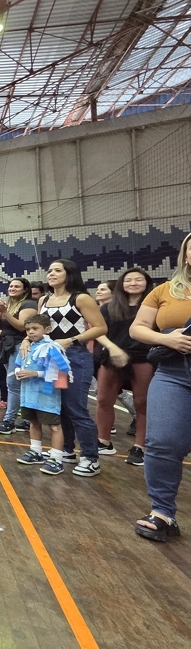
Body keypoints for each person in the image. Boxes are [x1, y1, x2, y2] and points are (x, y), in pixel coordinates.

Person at [130, 231, 191, 541]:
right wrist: (166, 338)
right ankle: (163, 512)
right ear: (185, 255)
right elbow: (138, 328)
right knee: (163, 441)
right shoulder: (166, 290)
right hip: (174, 373)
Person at [34, 259, 107, 477]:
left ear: (70, 273)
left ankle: (91, 457)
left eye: (57, 270)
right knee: (61, 407)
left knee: (76, 408)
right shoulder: (44, 300)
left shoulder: (81, 298)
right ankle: (66, 449)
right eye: (49, 271)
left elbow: (101, 327)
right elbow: (41, 328)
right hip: (51, 358)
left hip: (75, 357)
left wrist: (71, 340)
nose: (51, 274)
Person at [94, 268, 154, 464]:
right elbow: (99, 331)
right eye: (129, 280)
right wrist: (113, 349)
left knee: (142, 403)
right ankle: (103, 441)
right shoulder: (108, 308)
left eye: (139, 279)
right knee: (103, 399)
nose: (134, 283)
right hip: (112, 357)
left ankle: (140, 447)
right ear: (121, 283)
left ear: (147, 283)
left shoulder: (153, 307)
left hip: (143, 357)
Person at [13, 314, 71, 475]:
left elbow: (61, 372)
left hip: (47, 396)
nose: (31, 332)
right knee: (33, 422)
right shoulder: (27, 347)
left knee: (54, 426)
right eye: (28, 329)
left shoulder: (52, 348)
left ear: (47, 329)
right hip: (28, 395)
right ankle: (35, 451)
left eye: (35, 328)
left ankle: (56, 459)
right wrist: (18, 371)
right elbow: (18, 363)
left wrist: (35, 374)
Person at [0, 278, 37, 434]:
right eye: (10, 286)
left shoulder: (29, 304)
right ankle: (26, 420)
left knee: (13, 384)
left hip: (20, 346)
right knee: (18, 385)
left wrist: (5, 312)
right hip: (7, 347)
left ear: (25, 290)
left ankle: (9, 420)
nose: (12, 288)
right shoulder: (9, 305)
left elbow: (21, 326)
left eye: (17, 286)